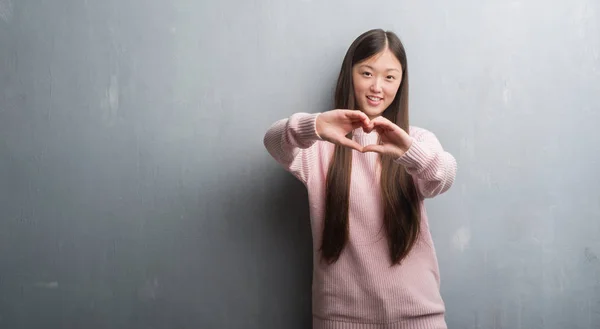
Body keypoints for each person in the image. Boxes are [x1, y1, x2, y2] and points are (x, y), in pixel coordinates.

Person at [263, 28, 457, 329]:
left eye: (390, 77)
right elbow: (274, 142)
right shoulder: (320, 146)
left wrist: (409, 152)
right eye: (367, 73)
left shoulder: (416, 141)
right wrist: (313, 125)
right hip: (340, 320)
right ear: (349, 74)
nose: (377, 86)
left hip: (419, 318)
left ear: (401, 83)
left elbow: (442, 177)